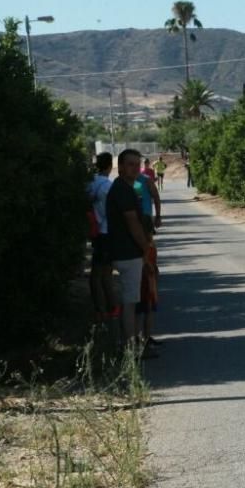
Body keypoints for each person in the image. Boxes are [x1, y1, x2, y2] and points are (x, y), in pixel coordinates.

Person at [106, 149, 151, 350]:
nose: (134, 168)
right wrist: (145, 247)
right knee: (130, 302)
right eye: (130, 164)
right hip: (128, 252)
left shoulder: (123, 187)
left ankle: (129, 344)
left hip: (125, 251)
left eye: (137, 164)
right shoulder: (123, 190)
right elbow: (132, 223)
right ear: (121, 166)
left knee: (130, 300)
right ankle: (130, 348)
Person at [86, 152, 116, 322]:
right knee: (103, 273)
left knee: (98, 272)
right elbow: (109, 212)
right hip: (106, 232)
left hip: (95, 231)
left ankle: (102, 307)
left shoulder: (90, 183)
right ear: (109, 165)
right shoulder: (107, 186)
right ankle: (106, 308)